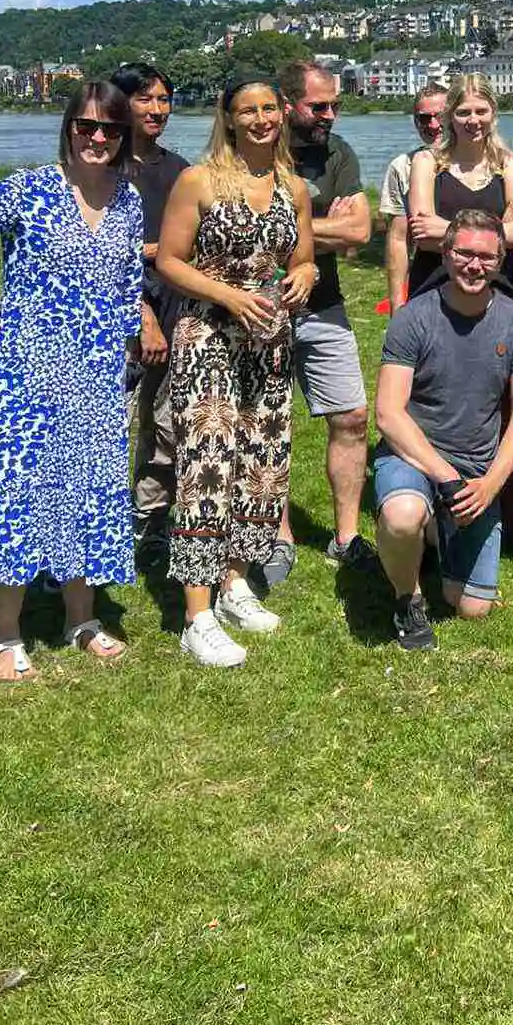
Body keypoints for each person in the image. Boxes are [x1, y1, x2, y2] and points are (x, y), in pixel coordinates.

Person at [0, 80, 145, 679]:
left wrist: (126, 346)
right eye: (86, 126)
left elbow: (126, 284)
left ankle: (81, 620)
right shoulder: (30, 190)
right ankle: (5, 635)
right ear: (68, 128)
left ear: (124, 137)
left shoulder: (129, 200)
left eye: (111, 129)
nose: (98, 138)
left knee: (88, 497)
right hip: (23, 377)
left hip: (96, 376)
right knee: (13, 496)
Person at [156, 75, 318, 668]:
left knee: (262, 463)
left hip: (268, 341)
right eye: (246, 111)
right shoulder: (197, 181)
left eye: (269, 108)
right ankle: (196, 615)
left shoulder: (293, 187)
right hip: (208, 337)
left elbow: (300, 258)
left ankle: (235, 583)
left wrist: (306, 276)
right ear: (227, 118)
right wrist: (227, 296)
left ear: (283, 113)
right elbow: (171, 261)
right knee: (206, 465)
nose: (260, 119)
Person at [373, 209, 513, 649]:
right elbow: (389, 413)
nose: (474, 265)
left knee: (470, 607)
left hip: (477, 471)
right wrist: (444, 478)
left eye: (487, 257)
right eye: (464, 253)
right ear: (445, 256)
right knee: (402, 515)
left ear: (501, 261)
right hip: (414, 454)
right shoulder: (413, 317)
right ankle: (406, 598)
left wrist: (490, 486)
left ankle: (431, 540)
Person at [266, 59, 375, 581]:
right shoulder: (257, 147)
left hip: (324, 303)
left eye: (335, 104)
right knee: (269, 419)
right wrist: (324, 225)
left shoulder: (340, 153)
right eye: (319, 106)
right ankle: (278, 535)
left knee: (352, 416)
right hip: (261, 305)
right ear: (288, 105)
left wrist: (290, 226)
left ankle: (347, 535)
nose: (330, 114)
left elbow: (359, 232)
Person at [112, 62, 189, 565]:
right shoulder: (102, 168)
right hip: (119, 313)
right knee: (106, 426)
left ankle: (150, 526)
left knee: (166, 428)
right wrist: (143, 316)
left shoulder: (179, 169)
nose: (156, 109)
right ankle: (91, 528)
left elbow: (189, 246)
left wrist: (159, 253)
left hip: (175, 309)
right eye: (145, 99)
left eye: (163, 99)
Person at [407, 75, 513, 297]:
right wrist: (497, 237)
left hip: (498, 289)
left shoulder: (509, 165)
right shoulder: (427, 163)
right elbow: (424, 238)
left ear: (493, 114)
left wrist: (445, 229)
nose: (473, 120)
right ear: (449, 117)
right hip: (435, 286)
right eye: (463, 112)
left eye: (481, 111)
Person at [380, 84, 448, 307]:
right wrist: (397, 302)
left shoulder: (485, 162)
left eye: (440, 116)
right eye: (424, 118)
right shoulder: (401, 167)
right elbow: (399, 239)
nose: (433, 125)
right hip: (428, 278)